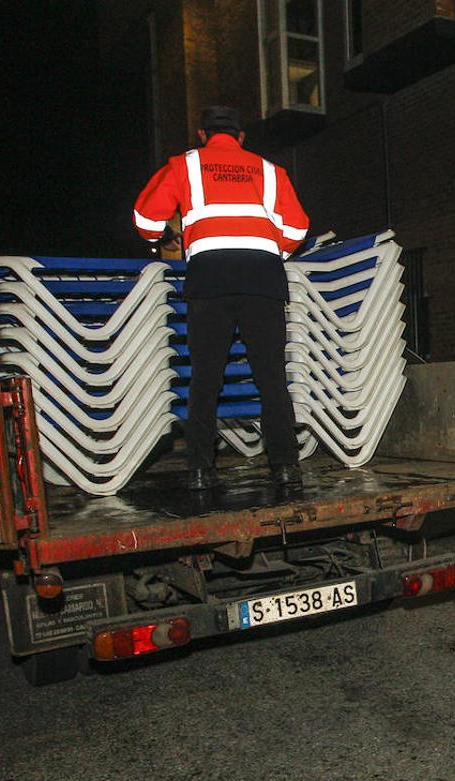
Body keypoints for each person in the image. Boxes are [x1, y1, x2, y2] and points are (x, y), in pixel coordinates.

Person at [133, 105, 310, 491]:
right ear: (241, 137)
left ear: (201, 134)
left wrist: (161, 239)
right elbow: (297, 228)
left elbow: (145, 220)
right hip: (262, 279)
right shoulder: (269, 171)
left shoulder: (184, 166)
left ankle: (199, 468)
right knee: (271, 377)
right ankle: (284, 467)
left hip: (209, 279)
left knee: (206, 378)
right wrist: (267, 252)